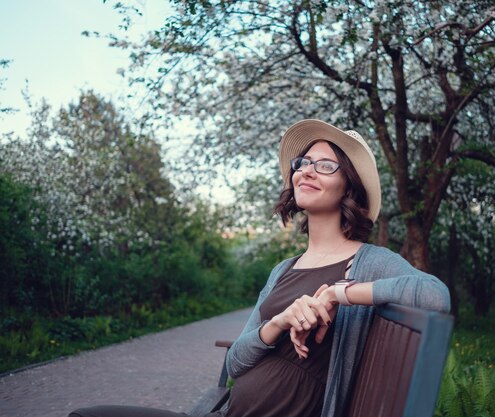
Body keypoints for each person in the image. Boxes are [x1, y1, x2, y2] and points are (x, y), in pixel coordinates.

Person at [69, 119, 450, 417]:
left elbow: (436, 295)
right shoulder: (283, 269)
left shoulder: (369, 261)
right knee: (86, 414)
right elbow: (235, 363)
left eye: (325, 165)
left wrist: (339, 292)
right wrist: (279, 322)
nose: (306, 171)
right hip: (229, 411)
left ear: (348, 186)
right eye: (302, 164)